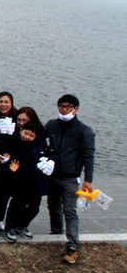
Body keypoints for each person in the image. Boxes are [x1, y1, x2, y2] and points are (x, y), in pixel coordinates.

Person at [44, 94, 95, 264]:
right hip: (52, 176)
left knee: (70, 211)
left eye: (68, 106)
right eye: (61, 106)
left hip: (70, 178)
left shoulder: (84, 131)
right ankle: (56, 233)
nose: (64, 109)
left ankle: (73, 244)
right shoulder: (51, 125)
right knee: (53, 206)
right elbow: (38, 138)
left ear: (76, 109)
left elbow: (89, 156)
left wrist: (88, 179)